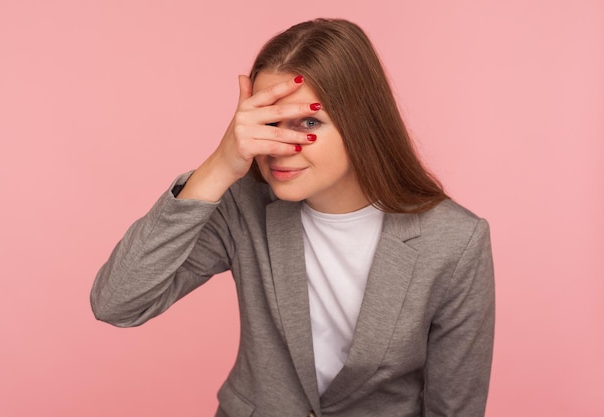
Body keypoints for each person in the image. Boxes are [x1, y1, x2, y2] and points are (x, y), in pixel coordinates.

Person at [91, 18, 495, 417]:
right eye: (269, 122)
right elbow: (117, 303)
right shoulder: (241, 205)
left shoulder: (455, 240)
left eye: (309, 123)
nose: (281, 147)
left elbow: (455, 407)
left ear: (361, 124)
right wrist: (218, 167)